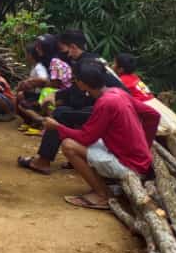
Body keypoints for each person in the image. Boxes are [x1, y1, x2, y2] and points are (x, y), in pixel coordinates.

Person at [45, 59, 160, 210]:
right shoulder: (118, 93)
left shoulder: (105, 103)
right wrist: (145, 144)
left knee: (69, 146)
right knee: (88, 140)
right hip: (140, 161)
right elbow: (153, 115)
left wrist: (57, 127)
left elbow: (85, 137)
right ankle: (108, 185)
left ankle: (102, 195)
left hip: (129, 166)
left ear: (82, 83)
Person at [18, 29, 126, 175]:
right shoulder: (94, 59)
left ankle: (42, 161)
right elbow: (78, 91)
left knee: (61, 114)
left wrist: (56, 98)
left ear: (73, 47)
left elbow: (78, 96)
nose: (65, 54)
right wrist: (57, 96)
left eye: (65, 50)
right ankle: (77, 155)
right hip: (117, 107)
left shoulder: (83, 65)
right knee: (69, 111)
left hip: (111, 110)